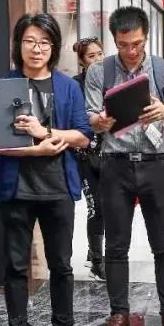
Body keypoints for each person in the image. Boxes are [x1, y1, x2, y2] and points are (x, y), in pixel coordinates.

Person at [84, 6, 164, 326]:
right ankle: (119, 313)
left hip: (155, 163)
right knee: (116, 244)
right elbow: (89, 117)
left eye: (137, 43)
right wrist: (99, 121)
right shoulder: (99, 71)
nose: (131, 51)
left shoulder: (163, 68)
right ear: (114, 40)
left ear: (146, 37)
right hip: (115, 164)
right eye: (123, 44)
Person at [0, 14, 94, 326]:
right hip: (17, 190)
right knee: (15, 267)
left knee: (62, 265)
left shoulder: (67, 86)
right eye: (29, 41)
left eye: (44, 42)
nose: (36, 49)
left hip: (58, 189)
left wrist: (45, 132)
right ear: (18, 44)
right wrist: (36, 150)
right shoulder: (4, 85)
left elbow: (84, 136)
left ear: (53, 47)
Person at [74, 37, 106, 280]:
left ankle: (94, 252)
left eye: (99, 54)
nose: (97, 59)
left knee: (110, 206)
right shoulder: (75, 85)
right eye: (91, 56)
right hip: (85, 154)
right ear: (82, 61)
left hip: (112, 153)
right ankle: (97, 261)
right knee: (96, 207)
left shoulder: (112, 80)